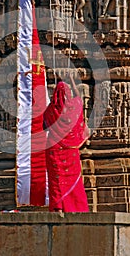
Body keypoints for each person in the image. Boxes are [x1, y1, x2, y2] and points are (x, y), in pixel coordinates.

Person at [43, 74, 89, 213]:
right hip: (71, 150)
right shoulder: (73, 108)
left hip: (53, 148)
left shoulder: (51, 110)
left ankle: (58, 207)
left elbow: (44, 126)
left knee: (56, 180)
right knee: (72, 179)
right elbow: (79, 98)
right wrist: (73, 82)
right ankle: (77, 207)